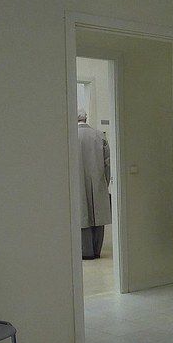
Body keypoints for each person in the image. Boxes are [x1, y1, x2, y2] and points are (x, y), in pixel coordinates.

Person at [77, 108, 111, 260]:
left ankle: (86, 252)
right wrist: (105, 182)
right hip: (98, 181)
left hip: (77, 182)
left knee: (83, 216)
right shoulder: (99, 135)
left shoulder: (71, 136)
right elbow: (107, 164)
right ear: (86, 118)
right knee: (98, 216)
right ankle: (97, 250)